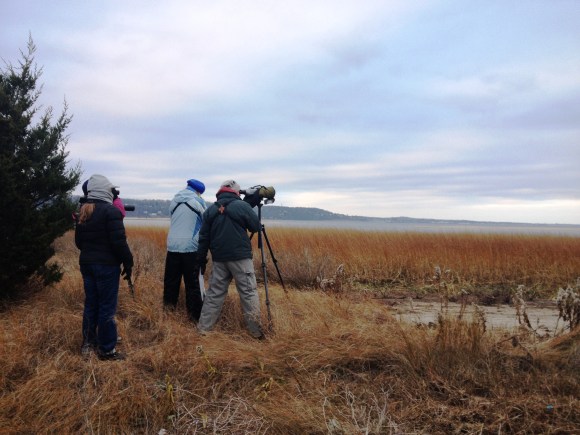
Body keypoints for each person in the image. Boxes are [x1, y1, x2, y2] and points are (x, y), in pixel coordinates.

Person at [75, 174, 133, 361]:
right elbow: (119, 243)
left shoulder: (84, 212)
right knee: (107, 307)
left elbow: (79, 242)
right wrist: (128, 262)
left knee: (91, 304)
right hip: (107, 267)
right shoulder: (111, 212)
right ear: (105, 191)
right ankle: (107, 349)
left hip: (87, 265)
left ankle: (88, 343)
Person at [196, 179, 264, 339]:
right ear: (236, 192)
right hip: (240, 258)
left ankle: (203, 331)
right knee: (248, 293)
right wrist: (248, 205)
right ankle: (256, 333)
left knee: (214, 294)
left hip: (219, 258)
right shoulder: (241, 206)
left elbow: (204, 236)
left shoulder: (211, 210)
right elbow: (255, 226)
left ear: (220, 192)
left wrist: (201, 258)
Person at [163, 179, 207, 322]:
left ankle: (168, 315)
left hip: (172, 247)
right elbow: (205, 222)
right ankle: (194, 318)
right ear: (198, 191)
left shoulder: (174, 201)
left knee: (171, 283)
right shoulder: (199, 202)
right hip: (191, 248)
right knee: (192, 284)